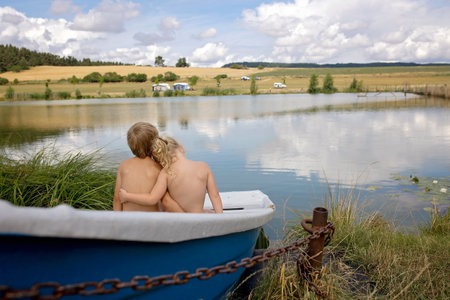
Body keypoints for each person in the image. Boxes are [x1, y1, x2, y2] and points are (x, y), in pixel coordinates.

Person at [119, 136, 223, 213]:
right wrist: (221, 218)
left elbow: (152, 199)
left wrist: (127, 196)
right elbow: (215, 196)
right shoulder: (203, 166)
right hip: (198, 215)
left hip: (180, 219)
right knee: (208, 212)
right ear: (181, 147)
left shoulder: (166, 173)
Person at [113, 122, 183, 212]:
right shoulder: (158, 168)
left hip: (128, 221)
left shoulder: (123, 165)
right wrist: (187, 216)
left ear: (130, 144)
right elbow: (166, 201)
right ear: (155, 144)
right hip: (151, 222)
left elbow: (117, 199)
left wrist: (118, 221)